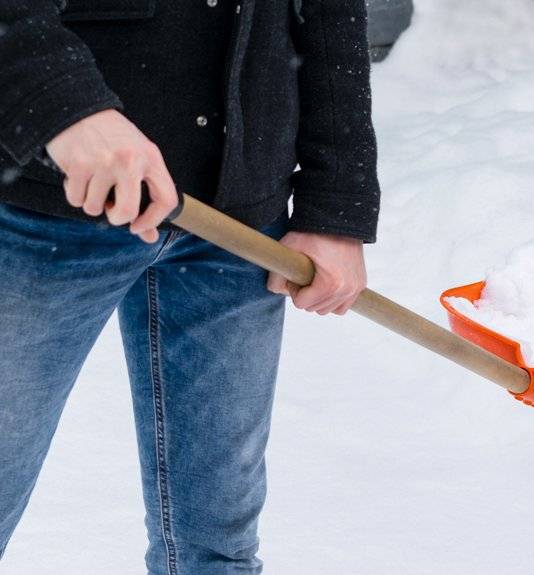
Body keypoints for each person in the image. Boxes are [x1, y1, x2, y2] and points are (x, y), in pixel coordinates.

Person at [0, 1, 380, 572]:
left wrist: (338, 202)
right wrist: (64, 104)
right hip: (48, 202)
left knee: (217, 543)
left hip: (239, 217)